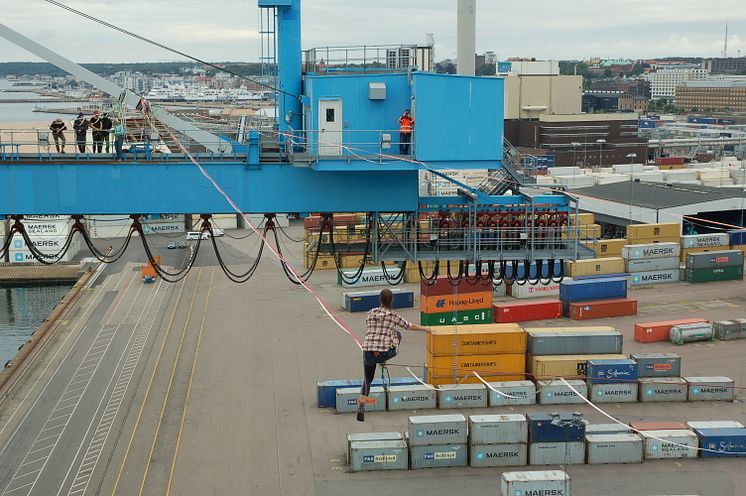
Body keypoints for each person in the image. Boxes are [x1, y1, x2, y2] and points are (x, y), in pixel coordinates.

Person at [357, 289, 430, 422]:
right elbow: (409, 326)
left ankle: (361, 405)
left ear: (380, 299)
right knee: (398, 334)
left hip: (368, 350)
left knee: (367, 379)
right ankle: (383, 357)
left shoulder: (371, 312)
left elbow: (371, 328)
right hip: (384, 352)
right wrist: (426, 329)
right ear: (391, 301)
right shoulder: (393, 315)